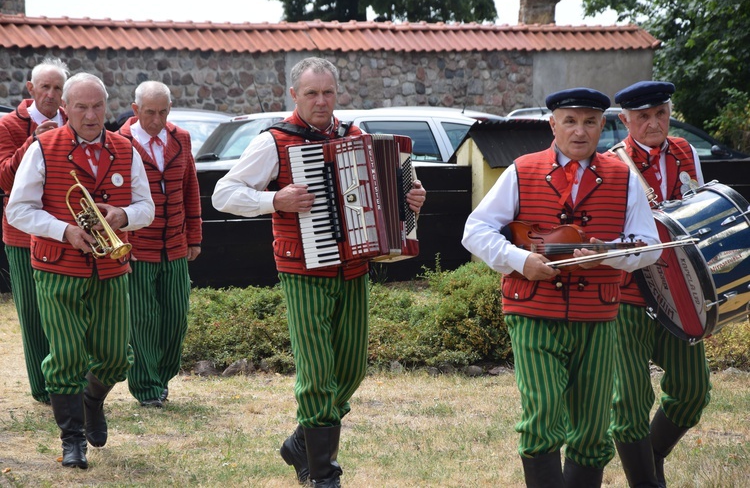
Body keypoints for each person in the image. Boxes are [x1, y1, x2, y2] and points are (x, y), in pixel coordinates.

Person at [212, 56, 426, 487]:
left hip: (353, 266)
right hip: (303, 267)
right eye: (312, 93)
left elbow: (391, 189)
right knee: (315, 373)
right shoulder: (274, 141)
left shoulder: (355, 135)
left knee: (350, 371)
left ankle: (299, 444)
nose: (321, 101)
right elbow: (223, 194)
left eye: (328, 92)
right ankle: (323, 473)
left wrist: (412, 197)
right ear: (294, 95)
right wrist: (275, 200)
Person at [462, 88, 661, 487]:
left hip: (598, 315)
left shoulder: (624, 178)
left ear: (602, 126)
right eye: (569, 121)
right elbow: (475, 231)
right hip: (533, 311)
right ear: (552, 124)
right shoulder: (522, 169)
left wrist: (605, 255)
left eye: (589, 122)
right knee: (543, 414)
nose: (580, 131)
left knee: (591, 427)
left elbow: (650, 246)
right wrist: (522, 261)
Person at [5, 72, 154, 469]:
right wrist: (64, 229)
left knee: (116, 359)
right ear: (66, 108)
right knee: (67, 355)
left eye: (97, 106)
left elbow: (147, 208)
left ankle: (91, 401)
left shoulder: (126, 147)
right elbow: (17, 210)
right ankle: (72, 439)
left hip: (111, 266)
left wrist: (122, 215)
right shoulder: (42, 147)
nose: (90, 115)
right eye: (82, 107)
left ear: (107, 106)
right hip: (58, 267)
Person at [607, 81, 710, 488]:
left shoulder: (686, 151)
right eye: (643, 116)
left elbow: (698, 205)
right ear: (625, 120)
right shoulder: (612, 165)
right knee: (629, 401)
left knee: (693, 391)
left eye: (661, 113)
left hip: (682, 290)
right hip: (630, 292)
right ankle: (646, 481)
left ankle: (651, 455)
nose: (654, 123)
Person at [117, 81, 202, 408]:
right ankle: (146, 387)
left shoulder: (180, 138)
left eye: (163, 112)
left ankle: (161, 378)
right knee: (142, 320)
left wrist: (194, 236)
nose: (157, 119)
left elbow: (190, 188)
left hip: (176, 244)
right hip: (138, 248)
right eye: (150, 112)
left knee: (176, 317)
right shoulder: (121, 142)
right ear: (136, 110)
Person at [0, 57, 69, 405]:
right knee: (31, 310)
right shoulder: (10, 125)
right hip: (22, 234)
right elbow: (3, 179)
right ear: (30, 89)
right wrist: (32, 145)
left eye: (58, 88)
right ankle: (44, 389)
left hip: (64, 231)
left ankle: (66, 377)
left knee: (64, 307)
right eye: (45, 87)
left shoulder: (75, 122)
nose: (52, 94)